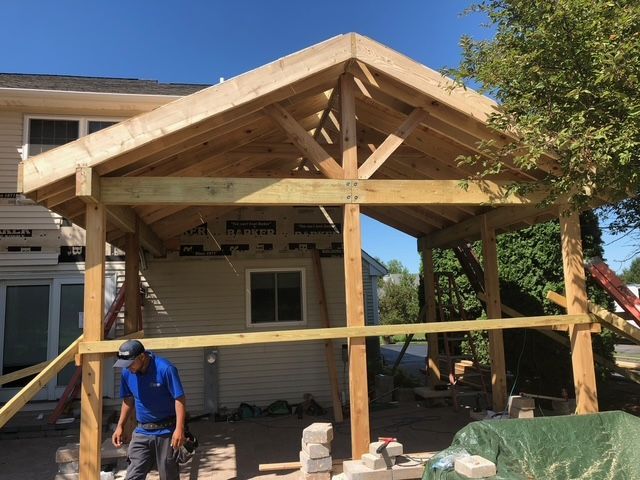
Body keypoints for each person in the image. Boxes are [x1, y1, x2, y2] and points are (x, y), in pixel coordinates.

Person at [112, 339, 186, 480]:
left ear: (142, 357)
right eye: (125, 365)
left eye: (130, 364)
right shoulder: (127, 372)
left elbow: (179, 399)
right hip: (142, 432)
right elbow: (128, 399)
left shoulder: (165, 369)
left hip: (166, 432)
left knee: (168, 475)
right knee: (133, 475)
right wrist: (120, 426)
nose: (128, 368)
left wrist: (179, 429)